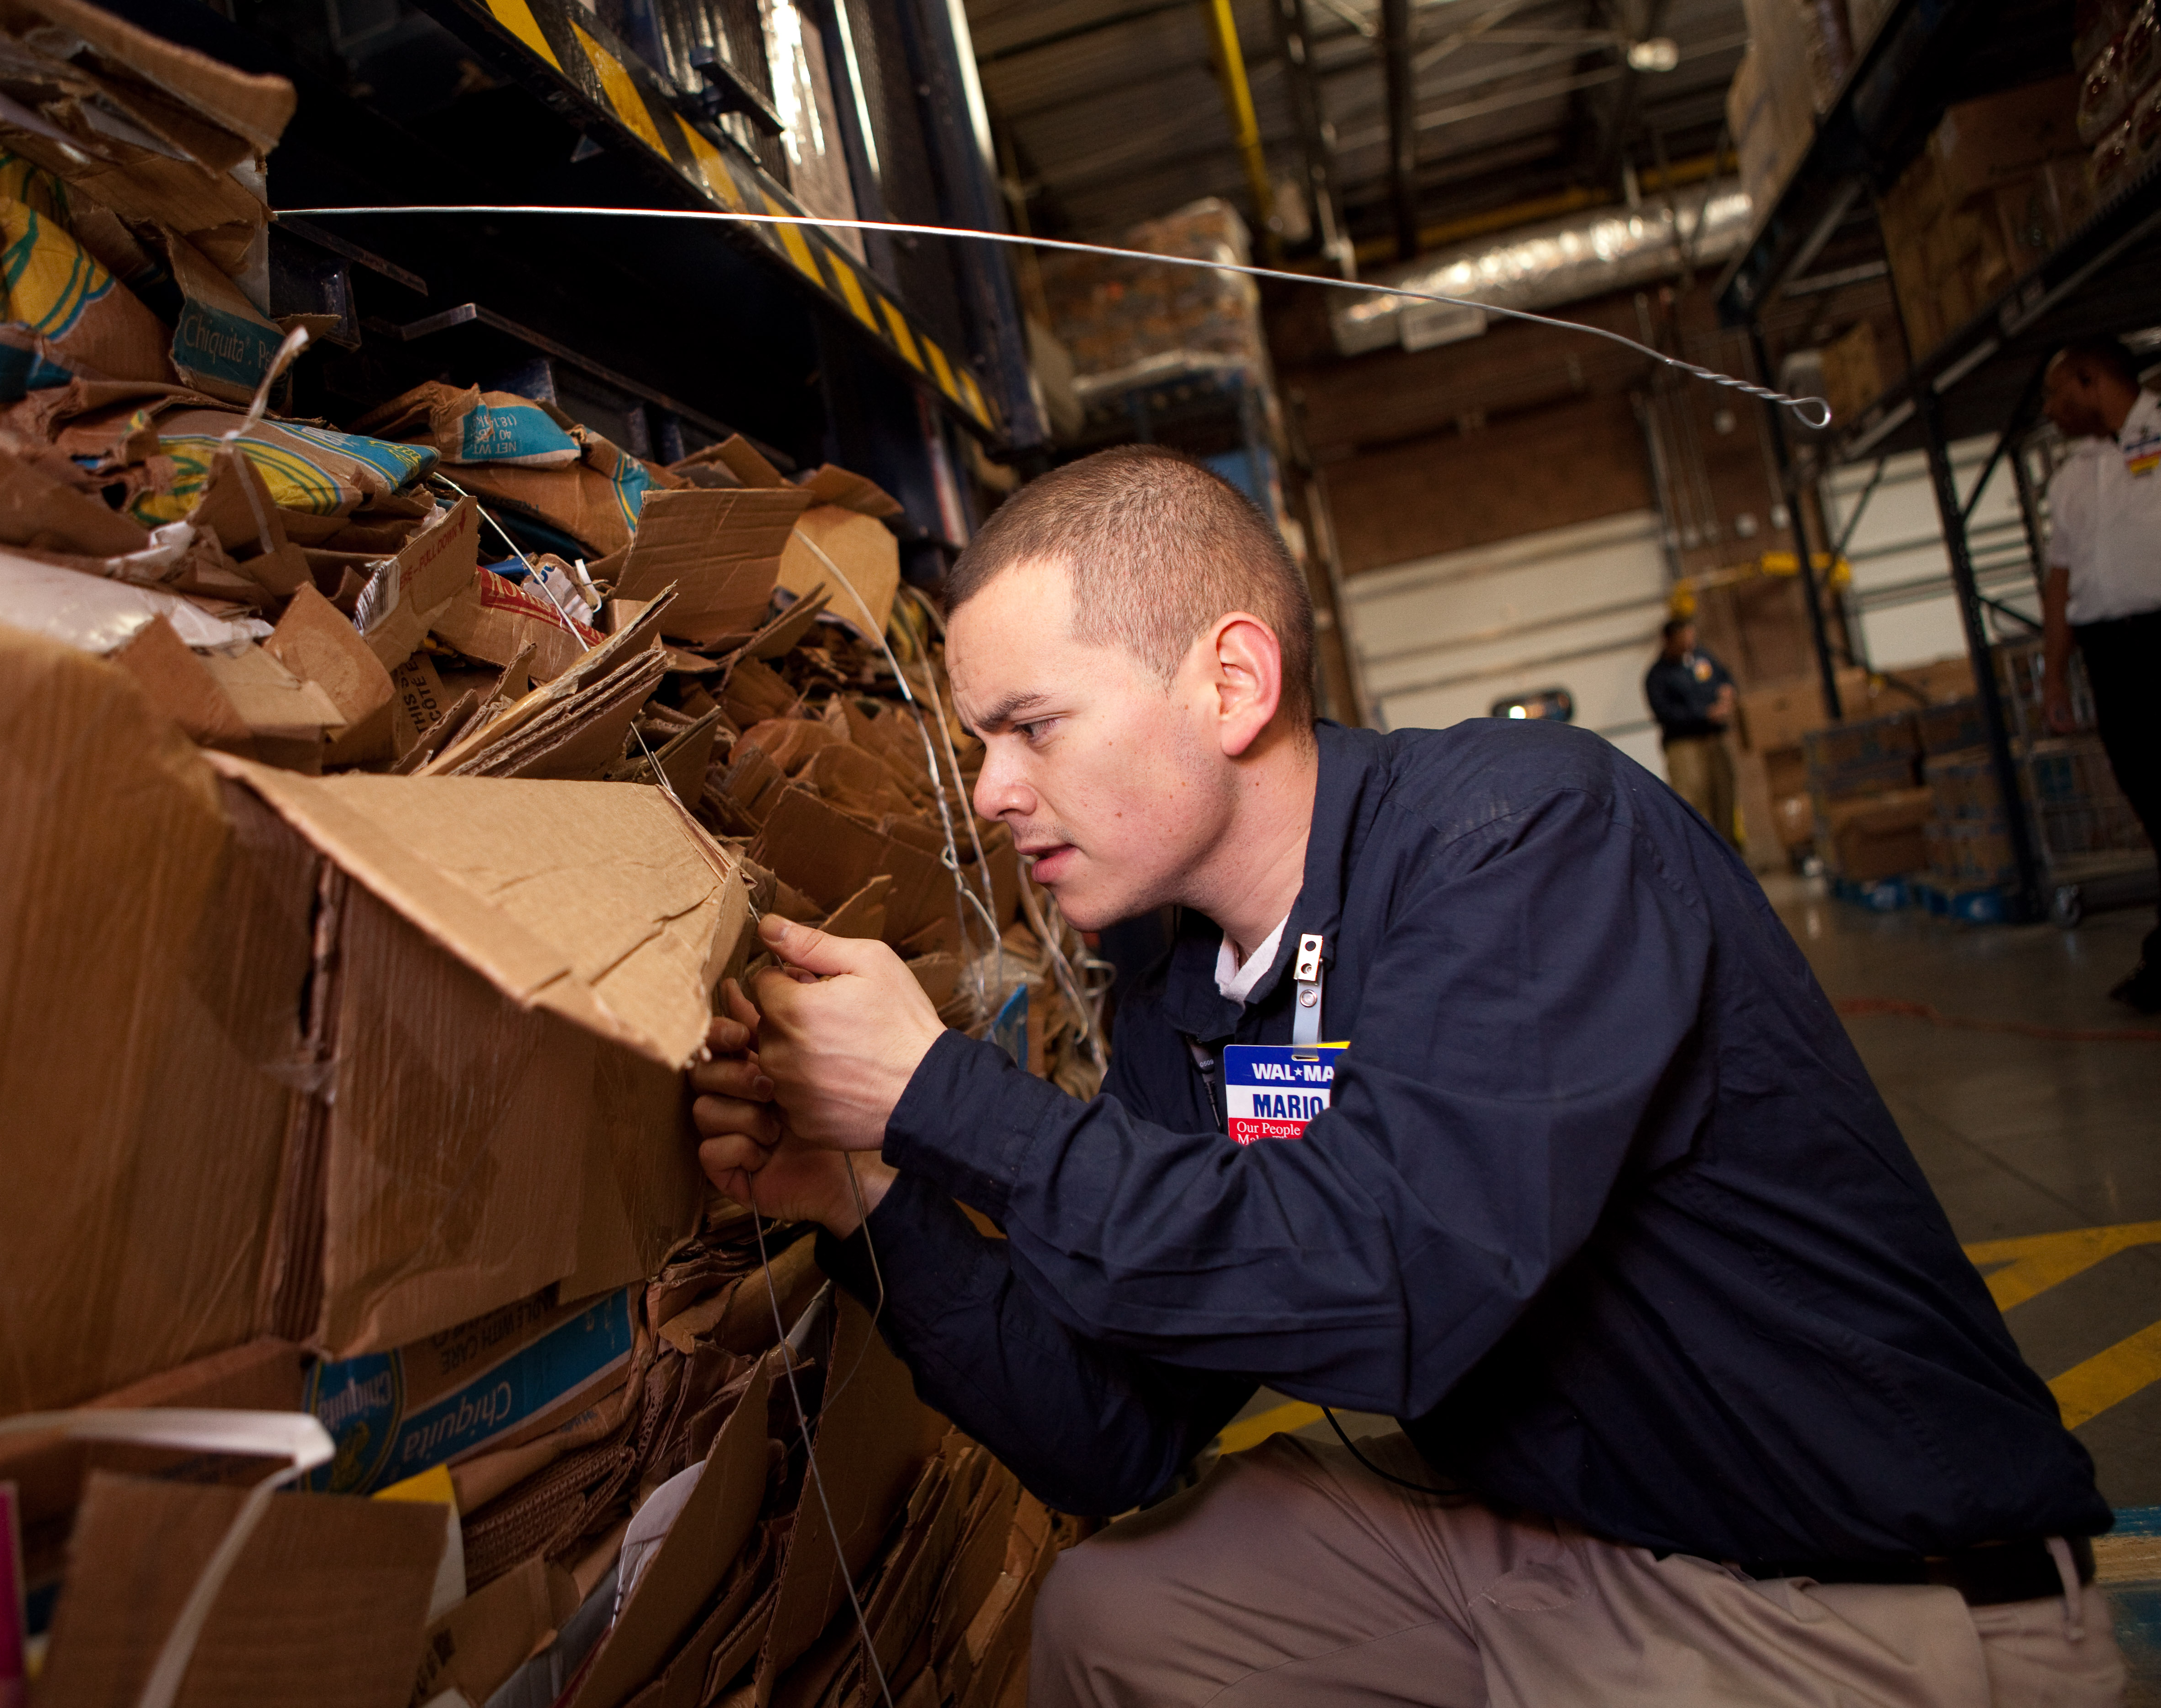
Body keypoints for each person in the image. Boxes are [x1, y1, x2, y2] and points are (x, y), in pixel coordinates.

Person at [689, 446, 2119, 1707]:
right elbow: (1110, 1432)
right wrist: (878, 1195)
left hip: (1854, 1602)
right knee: (1128, 1612)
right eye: (978, 741)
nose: (993, 790)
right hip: (1566, 1537)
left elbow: (1392, 1283)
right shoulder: (1190, 987)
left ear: (1233, 684)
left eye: (1033, 726)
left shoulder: (1524, 842)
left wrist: (943, 1094)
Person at [2040, 336, 2161, 1013]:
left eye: (2060, 393)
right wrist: (2055, 678)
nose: (2052, 410)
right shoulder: (2070, 478)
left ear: (2092, 381)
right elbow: (2061, 587)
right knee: (2148, 793)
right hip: (2113, 656)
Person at [1644, 616, 1741, 843]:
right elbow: (1665, 713)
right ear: (1668, 640)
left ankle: (1730, 851)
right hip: (1685, 744)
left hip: (1714, 739)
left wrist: (1728, 690)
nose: (1689, 643)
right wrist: (1704, 715)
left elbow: (1724, 676)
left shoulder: (1701, 658)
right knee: (1694, 798)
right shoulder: (1658, 676)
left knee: (1724, 796)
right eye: (1683, 638)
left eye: (1691, 637)